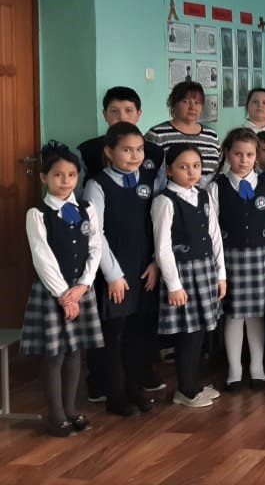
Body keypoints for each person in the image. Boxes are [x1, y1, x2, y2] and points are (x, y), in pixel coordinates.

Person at [22, 142, 105, 437]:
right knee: (55, 354)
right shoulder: (37, 213)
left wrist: (83, 285)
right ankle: (56, 415)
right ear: (44, 177)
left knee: (75, 352)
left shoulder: (87, 209)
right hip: (53, 293)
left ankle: (71, 410)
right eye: (58, 175)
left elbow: (95, 247)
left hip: (81, 291)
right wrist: (63, 295)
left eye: (71, 175)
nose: (65, 181)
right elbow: (41, 255)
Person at [82, 123, 162, 417]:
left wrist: (155, 262)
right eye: (127, 150)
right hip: (114, 271)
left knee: (138, 334)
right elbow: (96, 233)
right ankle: (115, 396)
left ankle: (134, 388)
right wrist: (113, 274)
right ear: (109, 151)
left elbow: (159, 225)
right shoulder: (97, 184)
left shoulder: (149, 180)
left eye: (139, 150)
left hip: (145, 269)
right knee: (114, 335)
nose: (134, 156)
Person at [209, 128, 265, 391]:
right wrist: (218, 268)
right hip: (230, 259)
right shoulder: (217, 187)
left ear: (256, 156)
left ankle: (257, 368)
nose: (243, 160)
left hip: (260, 258)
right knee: (233, 315)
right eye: (238, 154)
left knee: (256, 315)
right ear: (227, 154)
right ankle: (234, 370)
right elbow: (212, 231)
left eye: (249, 154)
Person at [151, 144, 226, 408]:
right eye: (183, 167)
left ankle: (192, 384)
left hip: (205, 269)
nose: (191, 172)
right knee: (188, 333)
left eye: (196, 166)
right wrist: (174, 285)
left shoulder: (203, 195)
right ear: (169, 171)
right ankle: (185, 389)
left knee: (199, 332)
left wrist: (221, 274)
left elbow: (214, 236)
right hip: (182, 274)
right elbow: (162, 247)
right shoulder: (164, 201)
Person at [77, 86, 165, 186]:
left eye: (128, 110)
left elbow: (161, 190)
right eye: (114, 111)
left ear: (138, 114)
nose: (122, 117)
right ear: (105, 115)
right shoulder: (86, 152)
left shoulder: (156, 153)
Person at [146, 81, 220, 185]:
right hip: (171, 194)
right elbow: (147, 172)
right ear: (173, 104)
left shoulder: (211, 136)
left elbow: (219, 170)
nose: (192, 107)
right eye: (185, 101)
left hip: (208, 194)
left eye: (197, 103)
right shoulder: (157, 134)